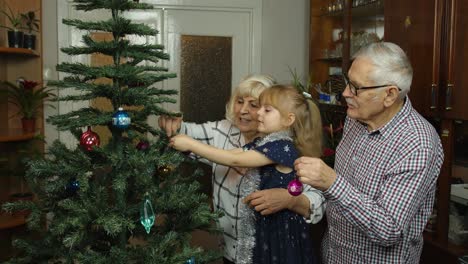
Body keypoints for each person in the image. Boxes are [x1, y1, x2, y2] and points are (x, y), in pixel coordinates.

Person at [294, 42, 444, 263]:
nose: (345, 93)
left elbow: (388, 230)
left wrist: (332, 182)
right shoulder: (357, 116)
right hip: (334, 254)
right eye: (347, 82)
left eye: (356, 87)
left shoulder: (417, 143)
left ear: (390, 95)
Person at [159, 75, 325, 264]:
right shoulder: (247, 138)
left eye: (257, 106)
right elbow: (229, 152)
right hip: (235, 248)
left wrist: (291, 200)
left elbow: (236, 159)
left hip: (275, 242)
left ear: (288, 118)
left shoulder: (283, 146)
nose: (246, 110)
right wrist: (171, 123)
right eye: (239, 101)